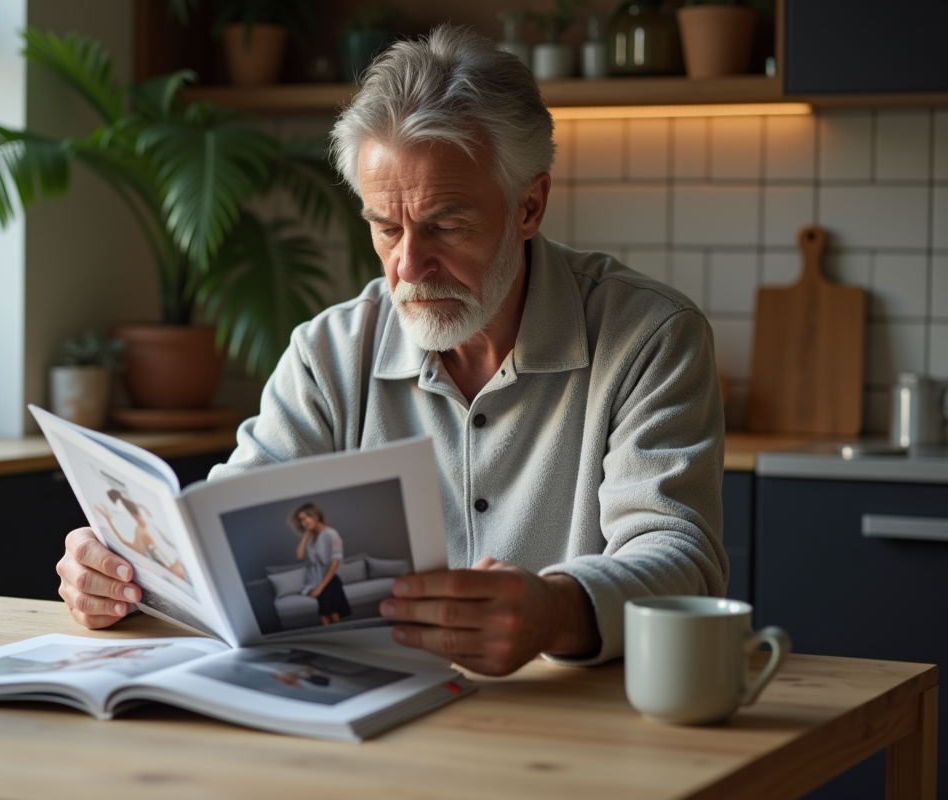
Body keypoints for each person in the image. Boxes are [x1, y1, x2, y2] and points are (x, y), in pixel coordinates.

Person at [57, 25, 727, 676]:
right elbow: (230, 536)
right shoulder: (327, 353)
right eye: (386, 228)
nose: (409, 265)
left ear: (529, 207)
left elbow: (681, 558)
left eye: (446, 225)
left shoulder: (650, 336)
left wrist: (556, 611)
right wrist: (127, 569)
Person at [288, 503, 352, 625]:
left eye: (306, 517)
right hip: (315, 579)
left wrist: (320, 588)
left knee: (330, 615)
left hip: (330, 579)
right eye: (301, 520)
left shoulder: (330, 534)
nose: (304, 522)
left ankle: (339, 637)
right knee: (329, 614)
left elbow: (335, 563)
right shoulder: (311, 536)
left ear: (315, 516)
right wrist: (306, 535)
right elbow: (299, 556)